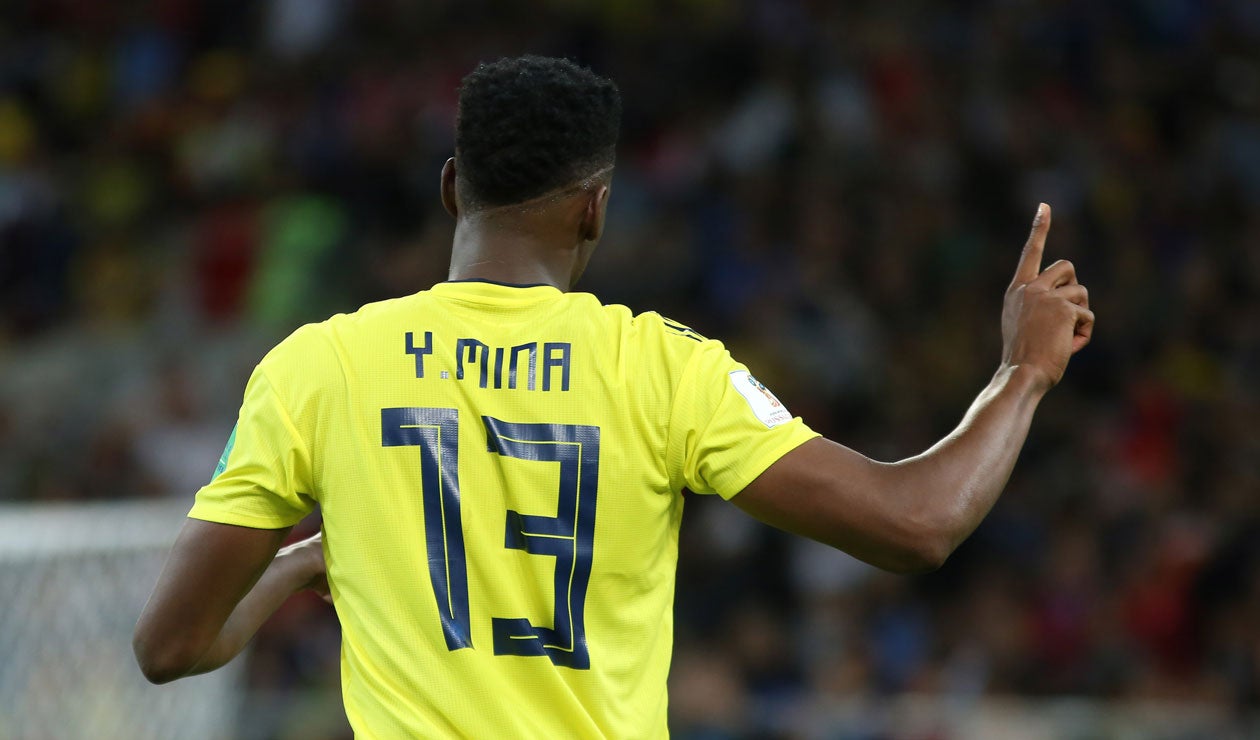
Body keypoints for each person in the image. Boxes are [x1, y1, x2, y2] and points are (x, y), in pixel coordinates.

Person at [133, 55, 1094, 737]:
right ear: (596, 205)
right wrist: (1023, 372)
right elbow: (918, 522)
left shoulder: (318, 367)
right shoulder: (662, 368)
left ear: (451, 188)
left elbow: (169, 645)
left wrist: (300, 568)